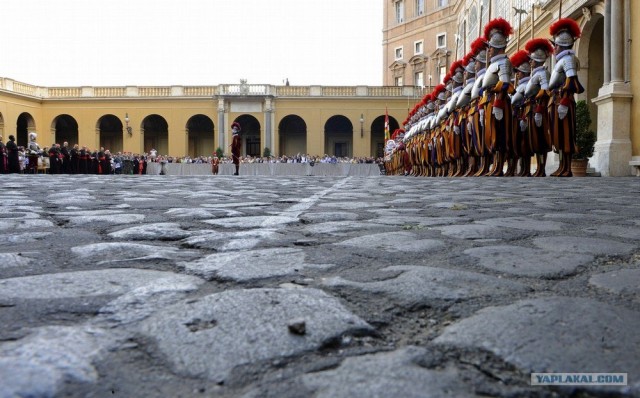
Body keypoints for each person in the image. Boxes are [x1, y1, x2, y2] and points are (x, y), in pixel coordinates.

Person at [548, 18, 584, 177]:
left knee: (567, 136)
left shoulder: (568, 59)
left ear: (561, 45)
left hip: (565, 101)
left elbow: (571, 81)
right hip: (557, 100)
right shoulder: (561, 60)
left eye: (555, 45)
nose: (554, 48)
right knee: (559, 136)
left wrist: (563, 101)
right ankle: (562, 166)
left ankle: (567, 167)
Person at [481, 18, 515, 177]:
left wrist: (499, 102)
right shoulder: (493, 64)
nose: (488, 50)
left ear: (496, 46)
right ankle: (495, 165)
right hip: (491, 101)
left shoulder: (504, 63)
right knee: (492, 135)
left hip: (499, 102)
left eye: (490, 47)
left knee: (500, 135)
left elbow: (505, 84)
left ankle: (500, 165)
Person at [525, 38, 554, 177]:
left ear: (536, 59)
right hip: (532, 108)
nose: (530, 61)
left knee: (541, 141)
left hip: (539, 109)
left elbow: (545, 92)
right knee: (534, 141)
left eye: (531, 59)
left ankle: (542, 168)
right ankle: (538, 167)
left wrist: (539, 110)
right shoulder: (534, 74)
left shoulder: (542, 74)